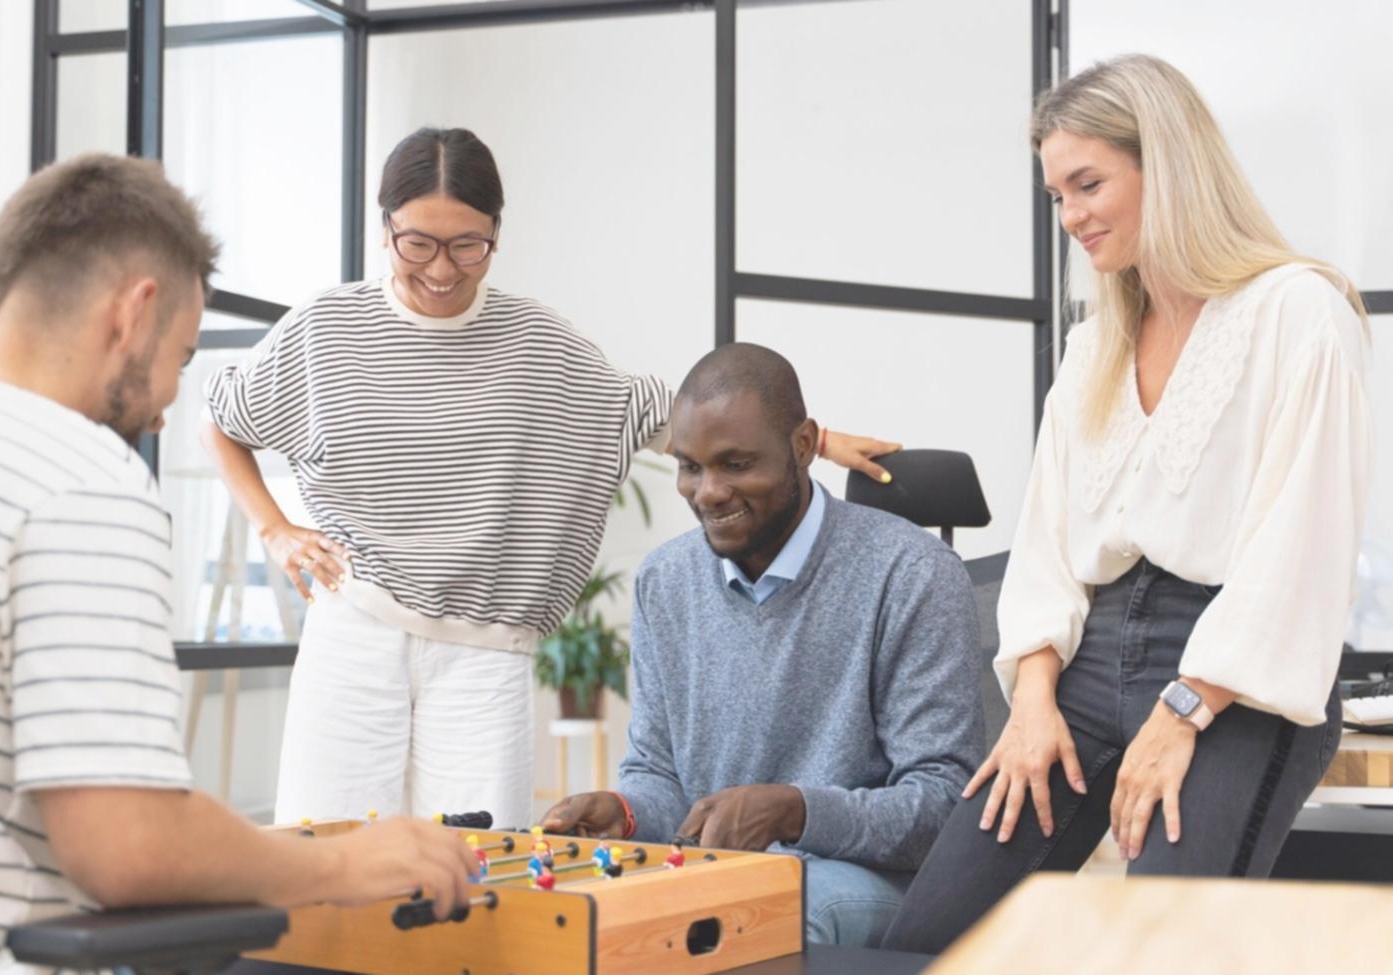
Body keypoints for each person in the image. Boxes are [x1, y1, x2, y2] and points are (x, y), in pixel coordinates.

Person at [0, 154, 475, 972]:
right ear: (133, 313)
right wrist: (341, 864)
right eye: (182, 359)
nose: (162, 411)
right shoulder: (79, 479)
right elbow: (125, 844)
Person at [199, 127, 898, 828]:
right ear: (385, 229)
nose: (442, 269)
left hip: (484, 653)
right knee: (323, 863)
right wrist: (276, 529)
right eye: (418, 242)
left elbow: (668, 418)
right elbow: (222, 419)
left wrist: (821, 440)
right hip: (352, 631)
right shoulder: (326, 329)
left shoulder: (538, 344)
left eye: (467, 244)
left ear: (495, 235)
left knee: (476, 884)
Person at [883, 54, 1369, 954]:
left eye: (1087, 184)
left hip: (1233, 680)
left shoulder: (1298, 312)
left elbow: (1295, 553)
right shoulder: (1094, 342)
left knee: (1160, 947)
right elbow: (1046, 543)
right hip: (1081, 662)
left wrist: (1182, 710)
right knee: (926, 941)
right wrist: (1030, 701)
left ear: (1168, 164)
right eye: (1055, 196)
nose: (1070, 217)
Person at [539, 343, 983, 947]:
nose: (709, 491)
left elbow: (942, 808)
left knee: (765, 921)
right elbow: (660, 775)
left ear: (803, 446)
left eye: (736, 464)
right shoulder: (664, 581)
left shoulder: (913, 574)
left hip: (866, 880)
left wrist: (795, 811)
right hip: (722, 876)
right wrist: (626, 812)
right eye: (689, 466)